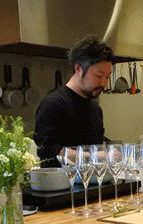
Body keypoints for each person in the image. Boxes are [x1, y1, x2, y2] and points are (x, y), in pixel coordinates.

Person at [34, 36, 114, 167]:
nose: (104, 83)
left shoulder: (96, 109)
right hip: (59, 180)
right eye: (99, 76)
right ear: (78, 69)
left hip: (92, 180)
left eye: (107, 77)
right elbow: (47, 149)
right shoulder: (53, 104)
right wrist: (93, 156)